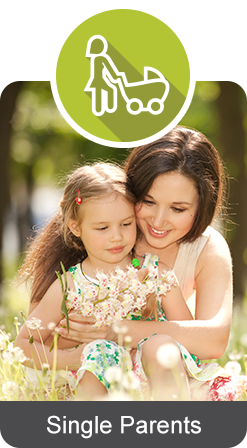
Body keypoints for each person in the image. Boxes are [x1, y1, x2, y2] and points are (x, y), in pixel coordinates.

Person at [58, 126, 247, 401]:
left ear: (202, 206)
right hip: (100, 378)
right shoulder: (103, 231)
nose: (158, 221)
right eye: (148, 201)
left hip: (168, 378)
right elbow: (45, 333)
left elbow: (213, 341)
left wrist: (122, 330)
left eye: (178, 209)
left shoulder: (206, 248)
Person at [15, 161, 193, 400]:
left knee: (162, 346)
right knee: (98, 352)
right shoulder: (70, 285)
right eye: (102, 228)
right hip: (91, 381)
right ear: (75, 227)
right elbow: (23, 345)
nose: (117, 237)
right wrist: (75, 357)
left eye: (126, 224)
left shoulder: (156, 273)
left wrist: (145, 328)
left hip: (151, 380)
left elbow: (189, 336)